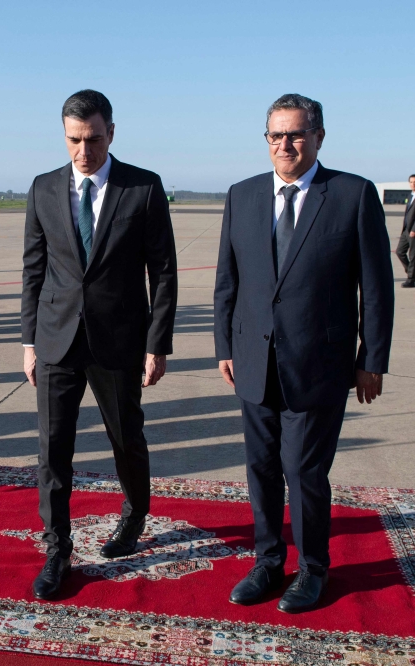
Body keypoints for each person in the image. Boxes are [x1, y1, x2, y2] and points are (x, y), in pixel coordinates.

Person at [215, 94, 394, 614]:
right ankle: (268, 561)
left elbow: (376, 287)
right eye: (276, 135)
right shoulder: (242, 195)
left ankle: (313, 568)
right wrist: (225, 345)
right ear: (266, 140)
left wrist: (372, 359)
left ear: (318, 136)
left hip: (319, 365)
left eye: (295, 134)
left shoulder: (351, 195)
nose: (285, 145)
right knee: (262, 468)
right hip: (252, 362)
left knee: (304, 471)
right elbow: (229, 281)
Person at [21, 90, 178, 600]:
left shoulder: (143, 187)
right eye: (73, 140)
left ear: (111, 132)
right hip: (56, 339)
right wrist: (28, 341)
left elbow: (165, 272)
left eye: (91, 139)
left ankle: (133, 517)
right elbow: (34, 270)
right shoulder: (44, 188)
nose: (82, 151)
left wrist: (158, 345)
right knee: (52, 449)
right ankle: (57, 548)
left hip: (120, 340)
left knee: (125, 437)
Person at [395, 174, 415, 288]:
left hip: (413, 231)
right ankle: (411, 273)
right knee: (399, 252)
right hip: (406, 231)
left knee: (413, 256)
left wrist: (414, 229)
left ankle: (411, 280)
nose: (413, 184)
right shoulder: (411, 195)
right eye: (411, 182)